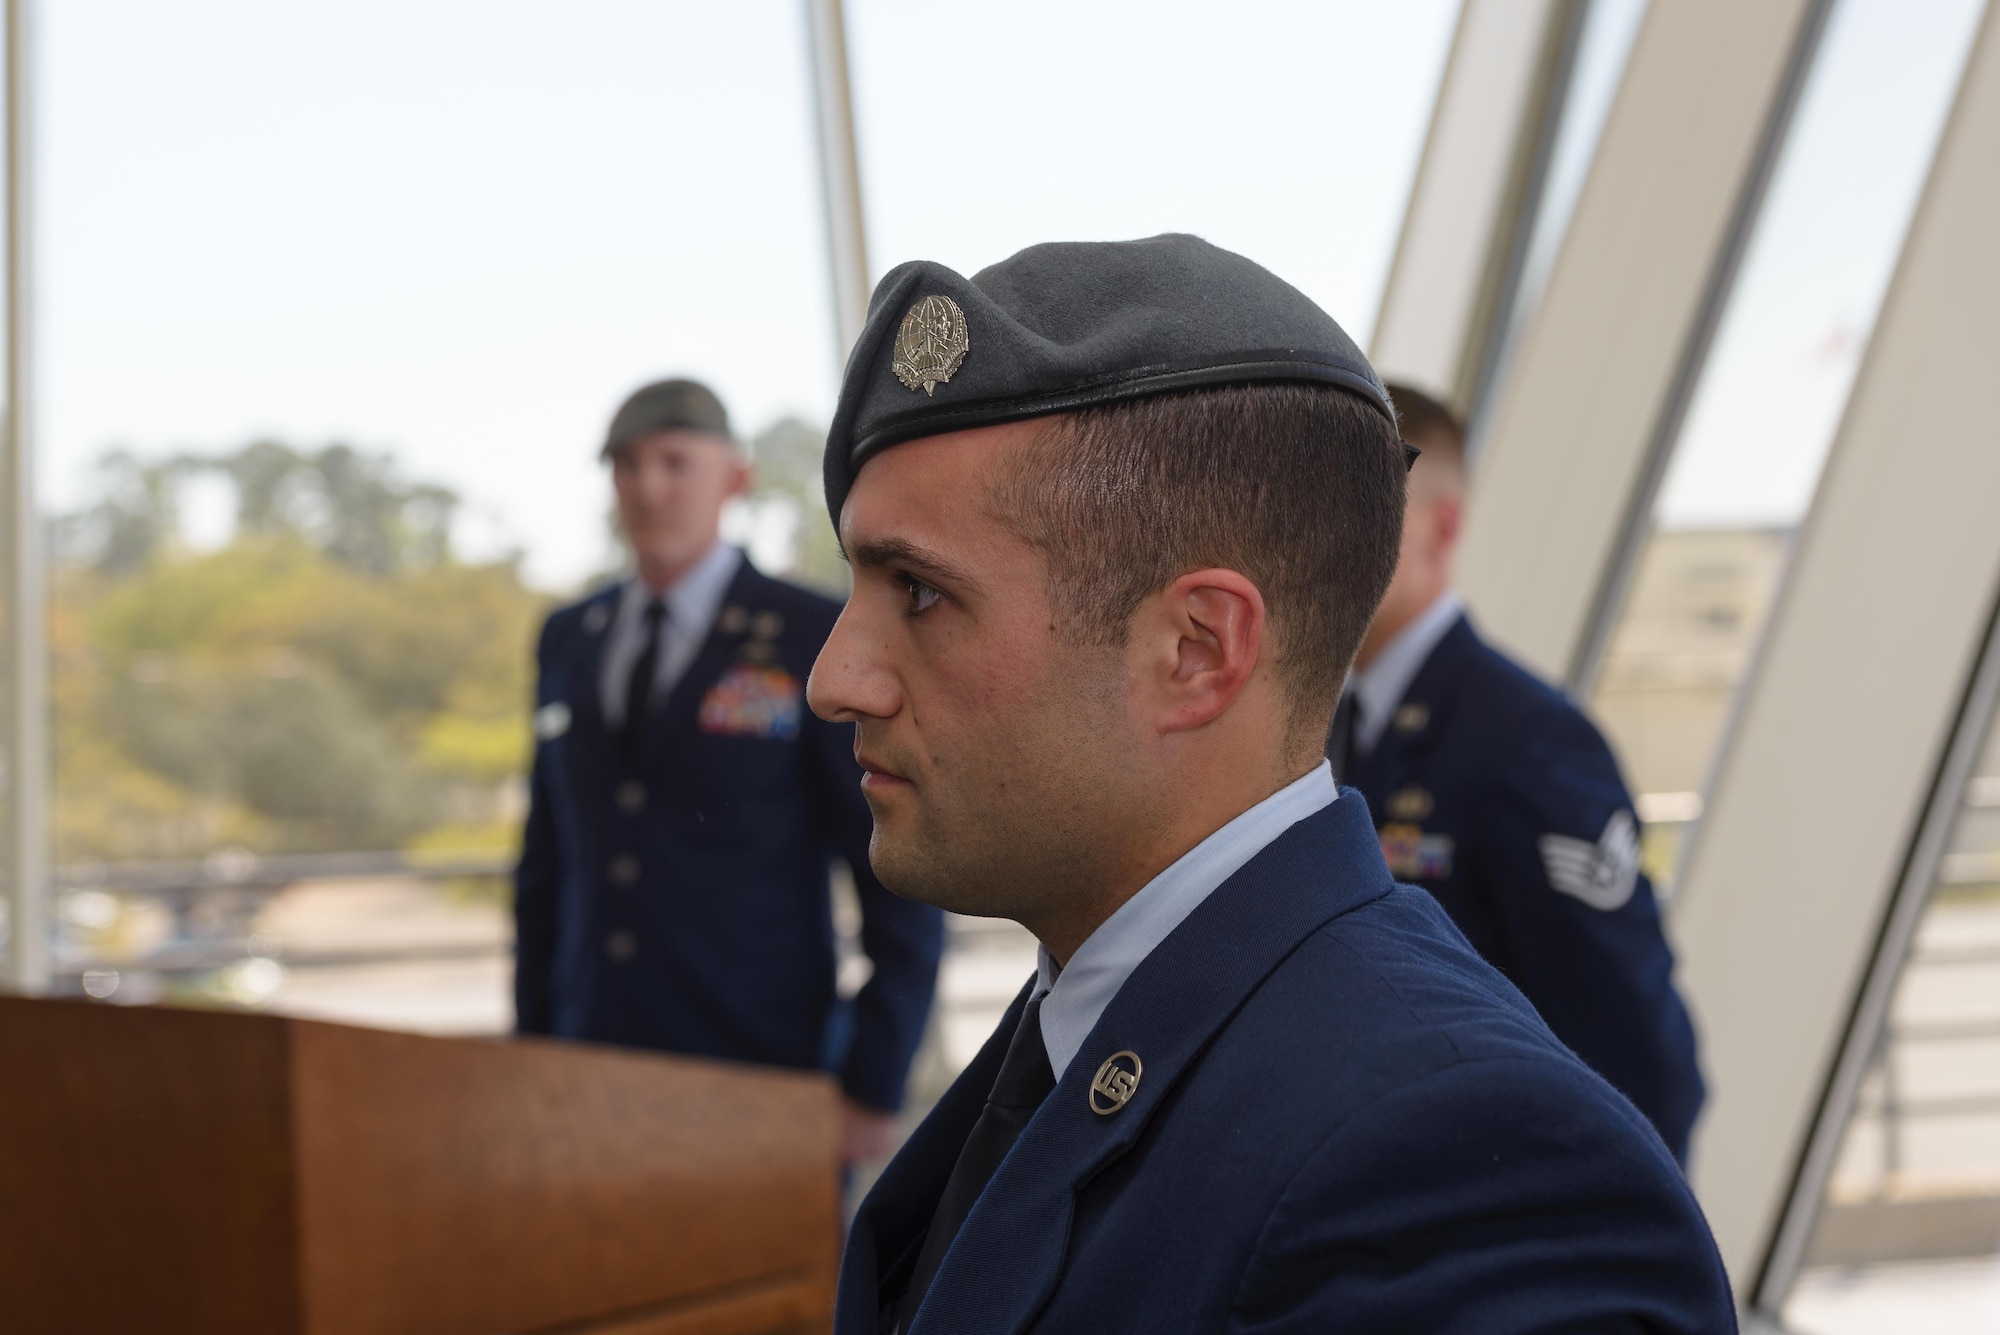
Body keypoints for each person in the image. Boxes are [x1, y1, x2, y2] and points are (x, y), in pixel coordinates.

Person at [809, 235, 1733, 1332]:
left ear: (1197, 650)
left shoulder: (1458, 1175)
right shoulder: (1098, 1015)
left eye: (917, 593)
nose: (834, 678)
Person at [514, 378, 944, 1165]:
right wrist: (530, 1054)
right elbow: (544, 868)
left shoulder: (808, 632)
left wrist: (873, 1083)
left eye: (675, 462)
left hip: (762, 1076)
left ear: (735, 479)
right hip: (588, 1072)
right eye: (628, 465)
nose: (649, 487)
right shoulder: (570, 637)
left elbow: (894, 876)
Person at [1329, 382, 1705, 1163]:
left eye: (1362, 510)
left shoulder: (1529, 740)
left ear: (1443, 528)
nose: (1323, 539)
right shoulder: (1327, 729)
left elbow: (1635, 1045)